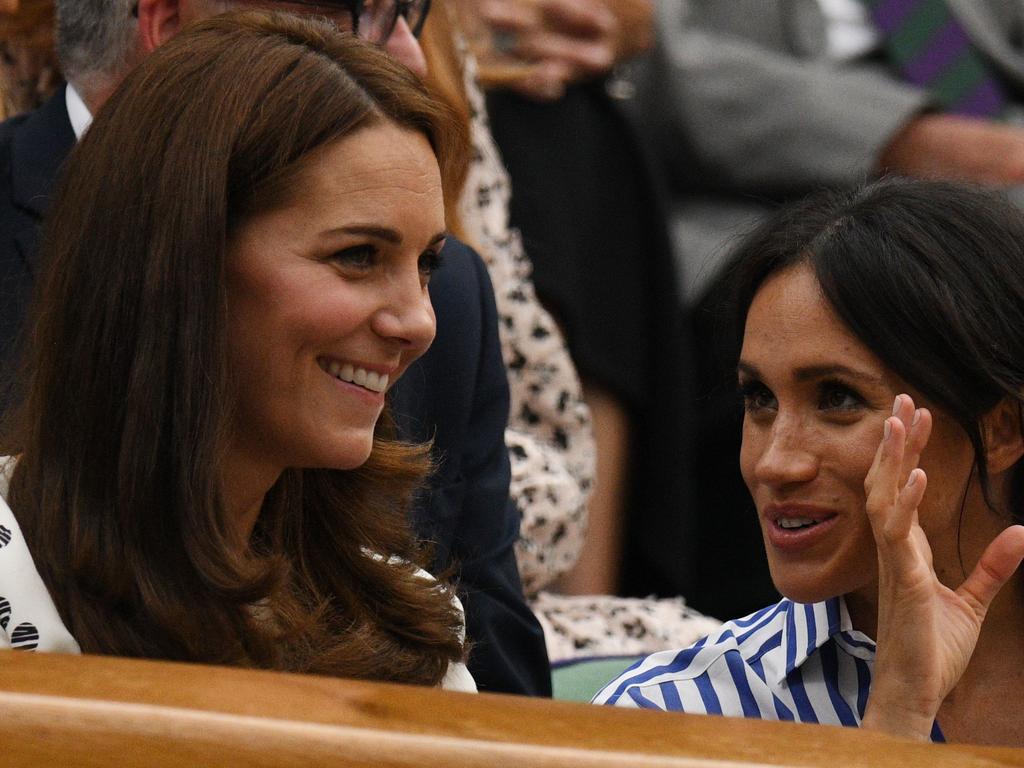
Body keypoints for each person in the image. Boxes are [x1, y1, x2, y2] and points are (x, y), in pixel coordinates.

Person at [0, 0, 549, 695]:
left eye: (428, 264)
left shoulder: (409, 621)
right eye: (357, 256)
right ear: (180, 266)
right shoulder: (12, 577)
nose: (418, 323)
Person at [595, 178, 1024, 745]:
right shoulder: (665, 717)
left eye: (838, 398)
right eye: (760, 399)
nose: (775, 463)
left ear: (1002, 429)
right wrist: (897, 715)